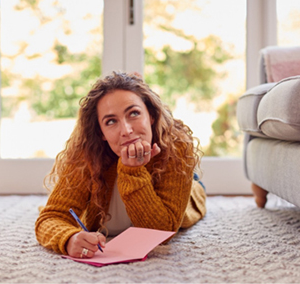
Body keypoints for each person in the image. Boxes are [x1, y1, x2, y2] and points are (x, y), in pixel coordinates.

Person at [35, 71, 207, 259]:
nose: (126, 130)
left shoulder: (176, 145)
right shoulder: (86, 154)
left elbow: (160, 233)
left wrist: (132, 171)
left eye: (134, 113)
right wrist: (69, 239)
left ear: (150, 115)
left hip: (187, 189)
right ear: (101, 132)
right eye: (111, 121)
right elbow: (51, 217)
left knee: (195, 184)